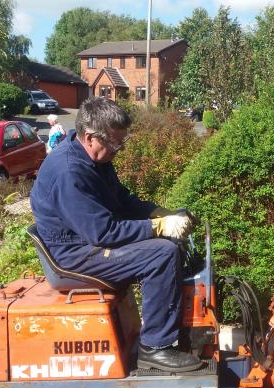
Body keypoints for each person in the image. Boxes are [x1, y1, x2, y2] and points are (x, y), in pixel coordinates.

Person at [30, 97, 201, 372]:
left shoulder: (94, 159)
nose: (119, 150)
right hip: (74, 255)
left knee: (168, 245)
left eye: (123, 142)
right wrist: (159, 227)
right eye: (115, 144)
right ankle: (155, 348)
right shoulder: (69, 172)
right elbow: (104, 232)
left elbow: (121, 200)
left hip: (86, 241)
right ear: (90, 137)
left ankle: (170, 327)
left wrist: (158, 212)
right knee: (161, 254)